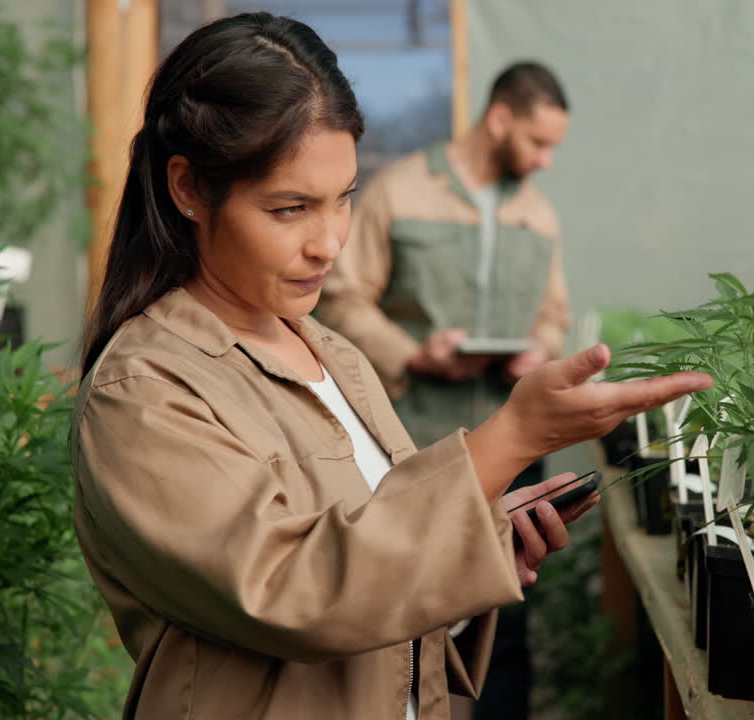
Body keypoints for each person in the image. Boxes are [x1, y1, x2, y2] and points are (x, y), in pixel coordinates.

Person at [73, 13, 712, 720]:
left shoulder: (335, 355)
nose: (330, 243)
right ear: (189, 189)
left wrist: (469, 547)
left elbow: (375, 578)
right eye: (290, 208)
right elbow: (294, 591)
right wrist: (513, 437)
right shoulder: (145, 388)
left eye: (344, 198)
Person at [315, 61, 572, 718]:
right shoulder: (398, 192)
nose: (545, 161)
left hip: (512, 442)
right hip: (414, 444)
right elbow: (341, 299)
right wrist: (413, 355)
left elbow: (554, 315)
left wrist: (539, 349)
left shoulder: (538, 214)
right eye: (538, 143)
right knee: (406, 609)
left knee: (507, 610)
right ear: (499, 118)